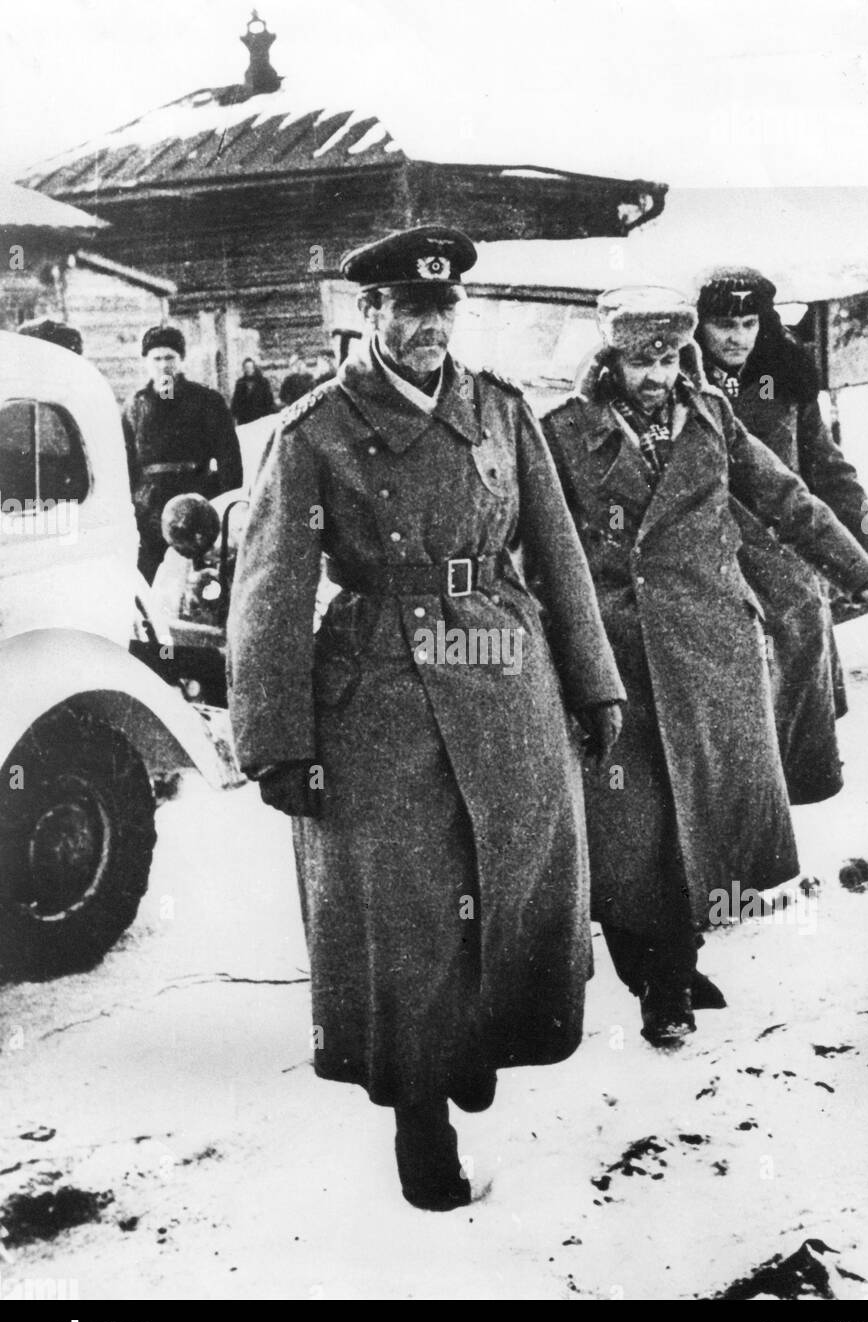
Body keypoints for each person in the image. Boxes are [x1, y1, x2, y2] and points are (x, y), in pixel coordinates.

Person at [226, 225, 624, 1211]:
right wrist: (277, 741)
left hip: (502, 669)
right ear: (368, 316)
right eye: (407, 311)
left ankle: (478, 1039)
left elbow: (557, 551)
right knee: (402, 909)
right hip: (380, 693)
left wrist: (593, 680)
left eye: (441, 311)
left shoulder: (499, 410)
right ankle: (420, 1118)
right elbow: (271, 591)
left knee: (514, 872)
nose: (427, 329)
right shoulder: (313, 429)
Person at [541, 287, 868, 1047]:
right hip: (619, 658)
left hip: (710, 648)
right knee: (631, 826)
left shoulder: (709, 415)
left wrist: (859, 569)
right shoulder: (562, 433)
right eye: (639, 360)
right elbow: (535, 544)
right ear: (611, 357)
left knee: (701, 817)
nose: (653, 375)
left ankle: (676, 963)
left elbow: (786, 498)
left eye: (666, 358)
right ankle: (652, 976)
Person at [695, 267, 868, 803]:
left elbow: (829, 473)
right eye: (723, 325)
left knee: (789, 747)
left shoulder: (786, 374)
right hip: (712, 571)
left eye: (749, 322)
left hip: (785, 578)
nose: (738, 337)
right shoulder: (678, 382)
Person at [122, 325, 242, 582]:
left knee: (198, 578)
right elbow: (127, 462)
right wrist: (133, 504)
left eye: (170, 358)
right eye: (156, 358)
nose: (163, 365)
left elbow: (229, 458)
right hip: (150, 507)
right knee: (149, 576)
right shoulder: (134, 405)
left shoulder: (206, 400)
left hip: (194, 501)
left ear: (181, 360)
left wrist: (221, 505)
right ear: (146, 362)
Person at [230, 357, 275, 425]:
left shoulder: (263, 382)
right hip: (245, 419)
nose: (248, 370)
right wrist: (234, 415)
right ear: (244, 369)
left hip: (260, 418)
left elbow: (269, 400)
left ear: (254, 368)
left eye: (250, 367)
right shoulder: (240, 383)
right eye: (246, 367)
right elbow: (236, 400)